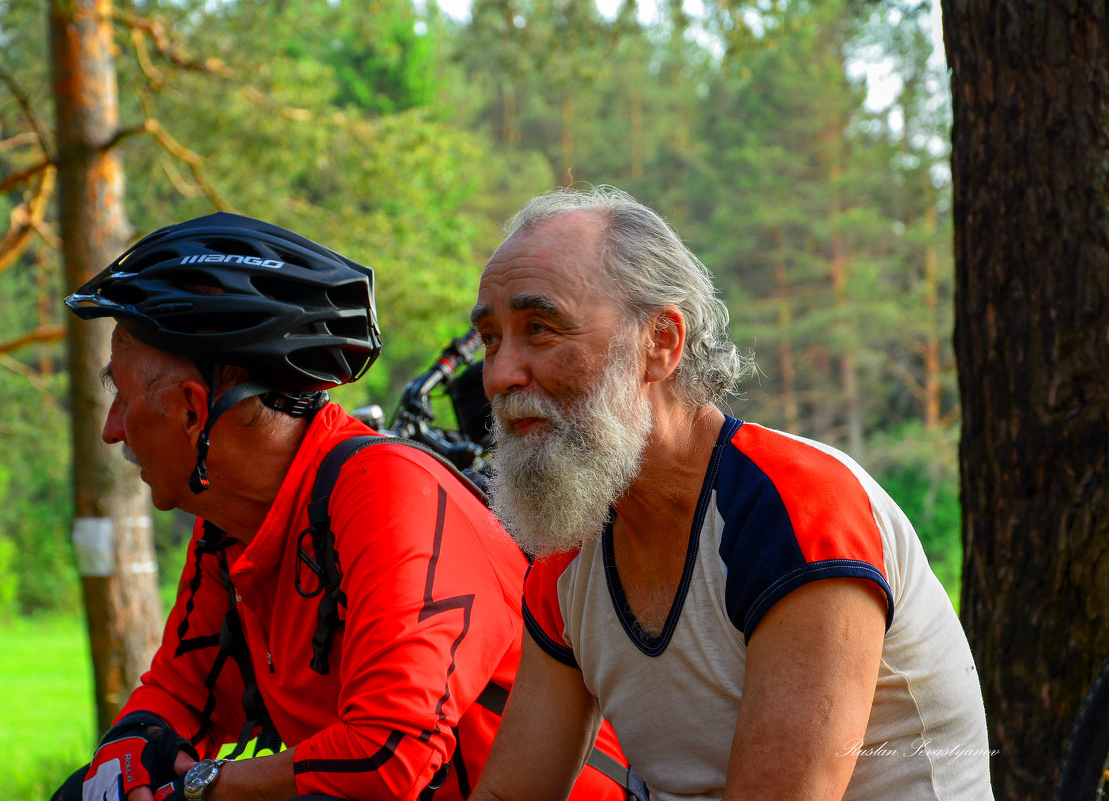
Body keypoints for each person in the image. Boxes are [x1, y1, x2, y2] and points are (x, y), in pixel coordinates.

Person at [52, 212, 627, 801]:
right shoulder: (232, 527)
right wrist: (125, 766)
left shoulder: (388, 493)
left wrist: (201, 788)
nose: (111, 429)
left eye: (121, 396)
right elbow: (180, 695)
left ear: (192, 411)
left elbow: (386, 757)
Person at [466, 186, 996, 801]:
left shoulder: (796, 510)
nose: (501, 374)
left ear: (659, 343)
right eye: (491, 339)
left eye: (541, 328)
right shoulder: (569, 558)